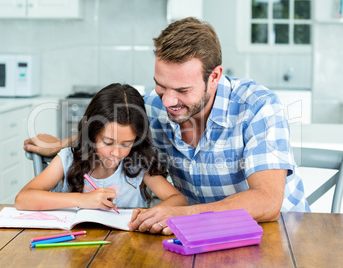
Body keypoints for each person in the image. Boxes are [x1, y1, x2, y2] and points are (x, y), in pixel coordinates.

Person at [24, 17, 309, 235]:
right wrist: (62, 144)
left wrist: (186, 215)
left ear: (215, 77)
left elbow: (268, 201)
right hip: (193, 234)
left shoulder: (258, 106)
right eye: (161, 85)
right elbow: (112, 127)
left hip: (276, 233)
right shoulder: (153, 106)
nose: (169, 101)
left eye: (182, 90)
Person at [16, 83, 188, 225]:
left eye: (126, 144)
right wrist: (81, 200)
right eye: (107, 142)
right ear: (91, 133)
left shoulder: (138, 163)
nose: (116, 152)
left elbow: (179, 200)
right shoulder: (69, 158)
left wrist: (150, 216)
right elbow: (23, 199)